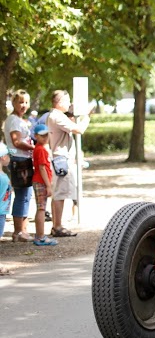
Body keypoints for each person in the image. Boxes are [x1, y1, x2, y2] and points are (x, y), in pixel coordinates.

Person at [47, 90, 90, 237]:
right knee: (60, 193)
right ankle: (58, 226)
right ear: (59, 102)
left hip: (60, 157)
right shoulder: (57, 116)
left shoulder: (54, 115)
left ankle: (56, 225)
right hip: (61, 158)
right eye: (67, 100)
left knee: (58, 193)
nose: (69, 103)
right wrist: (87, 116)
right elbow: (79, 129)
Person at [3, 89, 34, 242]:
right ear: (14, 102)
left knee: (26, 195)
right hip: (19, 160)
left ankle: (23, 230)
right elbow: (16, 142)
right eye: (21, 102)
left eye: (26, 102)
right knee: (22, 196)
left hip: (23, 159)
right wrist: (34, 148)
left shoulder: (19, 120)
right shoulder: (14, 120)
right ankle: (18, 231)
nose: (24, 105)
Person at [30, 124, 57, 246]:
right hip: (41, 182)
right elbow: (42, 168)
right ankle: (40, 236)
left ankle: (39, 235)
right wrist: (48, 185)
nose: (45, 138)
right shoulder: (40, 149)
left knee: (41, 208)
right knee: (41, 209)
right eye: (42, 136)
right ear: (36, 136)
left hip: (40, 181)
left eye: (46, 135)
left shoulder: (39, 148)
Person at [0, 142, 12, 275]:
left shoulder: (3, 176)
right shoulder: (1, 177)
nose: (9, 158)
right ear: (3, 157)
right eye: (8, 155)